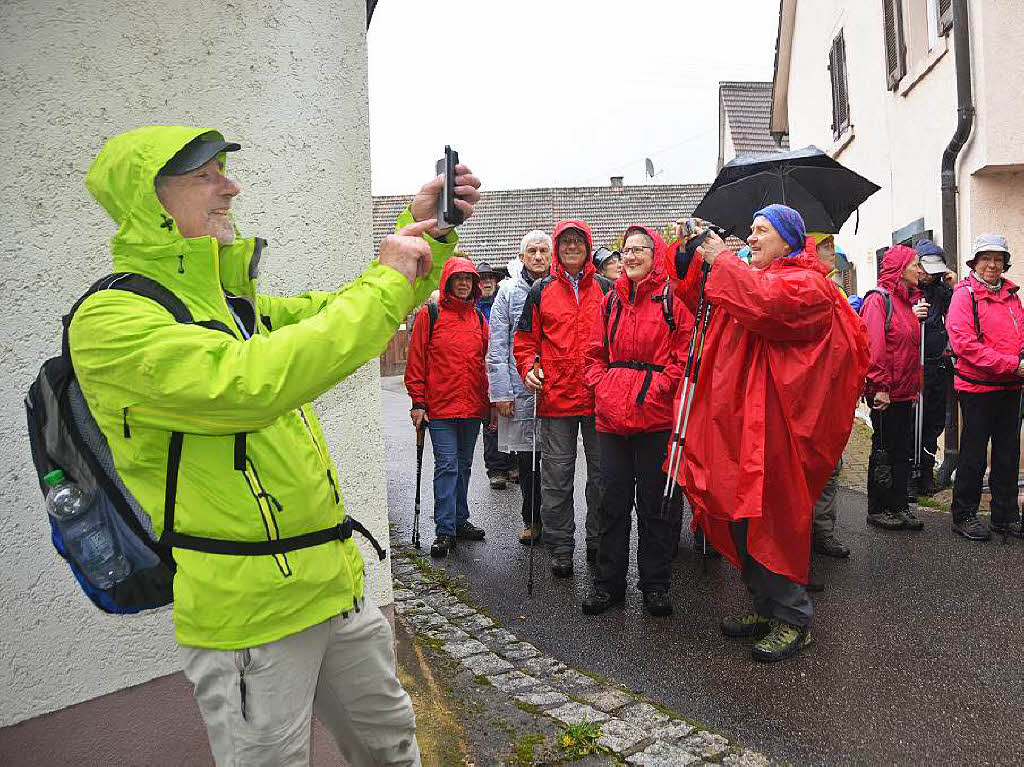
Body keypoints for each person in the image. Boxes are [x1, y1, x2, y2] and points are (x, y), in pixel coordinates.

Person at [71, 126, 480, 765]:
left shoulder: (235, 304)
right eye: (206, 175)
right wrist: (389, 279)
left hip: (333, 587)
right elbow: (255, 383)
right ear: (151, 200)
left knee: (392, 748)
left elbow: (341, 310)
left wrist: (421, 229)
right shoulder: (112, 321)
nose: (230, 185)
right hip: (248, 620)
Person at [669, 205, 868, 662]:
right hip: (741, 426)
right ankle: (766, 608)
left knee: (774, 522)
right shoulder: (751, 278)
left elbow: (765, 305)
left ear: (789, 241)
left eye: (763, 231)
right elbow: (707, 300)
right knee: (742, 518)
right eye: (751, 230)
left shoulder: (809, 284)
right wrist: (687, 256)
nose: (752, 238)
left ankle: (794, 620)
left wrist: (720, 258)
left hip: (778, 431)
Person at [581, 226, 690, 617]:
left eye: (639, 250)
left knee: (655, 505)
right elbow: (593, 352)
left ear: (655, 254)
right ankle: (608, 584)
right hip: (611, 418)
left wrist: (660, 386)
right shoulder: (609, 303)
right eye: (625, 250)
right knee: (611, 502)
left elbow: (684, 353)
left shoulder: (671, 301)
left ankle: (655, 585)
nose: (629, 256)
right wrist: (602, 384)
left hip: (655, 418)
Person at [515, 220, 608, 577]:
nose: (571, 247)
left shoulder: (605, 288)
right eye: (565, 242)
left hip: (599, 397)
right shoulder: (540, 290)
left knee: (601, 476)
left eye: (577, 241)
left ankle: (597, 540)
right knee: (556, 477)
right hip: (556, 398)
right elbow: (525, 342)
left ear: (587, 246)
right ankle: (560, 546)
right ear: (557, 247)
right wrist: (527, 369)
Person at [405, 257, 490, 558]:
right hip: (439, 408)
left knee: (464, 466)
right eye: (459, 279)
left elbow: (485, 363)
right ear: (449, 282)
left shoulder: (479, 318)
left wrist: (489, 405)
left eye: (469, 279)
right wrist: (418, 402)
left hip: (472, 407)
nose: (465, 284)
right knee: (447, 466)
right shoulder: (432, 313)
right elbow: (416, 360)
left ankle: (459, 519)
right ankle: (444, 531)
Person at [947, 234, 1024, 541]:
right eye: (986, 259)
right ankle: (964, 514)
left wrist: (1020, 361)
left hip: (1011, 387)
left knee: (1007, 454)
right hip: (978, 389)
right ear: (975, 262)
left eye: (998, 259)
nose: (992, 265)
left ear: (1004, 263)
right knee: (974, 454)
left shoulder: (1012, 295)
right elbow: (965, 345)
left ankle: (1005, 516)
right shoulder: (964, 296)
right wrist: (1012, 364)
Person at [487, 231, 553, 544]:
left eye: (543, 250)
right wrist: (500, 393)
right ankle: (532, 519)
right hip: (520, 388)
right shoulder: (508, 291)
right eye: (532, 251)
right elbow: (498, 344)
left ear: (550, 256)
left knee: (558, 461)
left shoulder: (559, 287)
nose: (538, 256)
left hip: (557, 389)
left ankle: (556, 521)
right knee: (528, 460)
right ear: (522, 255)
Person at [862, 245, 929, 532]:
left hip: (904, 391)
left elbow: (906, 347)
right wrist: (879, 386)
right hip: (885, 393)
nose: (919, 270)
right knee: (883, 451)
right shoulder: (878, 301)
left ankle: (899, 506)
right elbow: (874, 347)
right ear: (901, 269)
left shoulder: (905, 303)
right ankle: (878, 508)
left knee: (902, 452)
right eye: (915, 264)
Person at [808, 233, 853, 559]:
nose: (832, 254)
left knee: (831, 468)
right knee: (801, 474)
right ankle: (798, 543)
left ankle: (823, 533)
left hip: (831, 397)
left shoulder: (835, 291)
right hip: (806, 399)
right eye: (825, 247)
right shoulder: (802, 289)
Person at [912, 239, 955, 495]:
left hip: (938, 366)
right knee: (912, 424)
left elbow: (960, 312)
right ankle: (908, 476)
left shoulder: (942, 291)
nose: (929, 275)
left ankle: (926, 472)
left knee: (934, 423)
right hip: (915, 366)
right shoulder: (907, 289)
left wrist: (953, 285)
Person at [476, 261, 515, 488]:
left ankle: (512, 465)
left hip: (504, 364)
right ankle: (496, 469)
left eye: (490, 278)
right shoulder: (474, 307)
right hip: (484, 368)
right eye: (482, 279)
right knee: (491, 422)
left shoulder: (503, 301)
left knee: (510, 415)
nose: (487, 282)